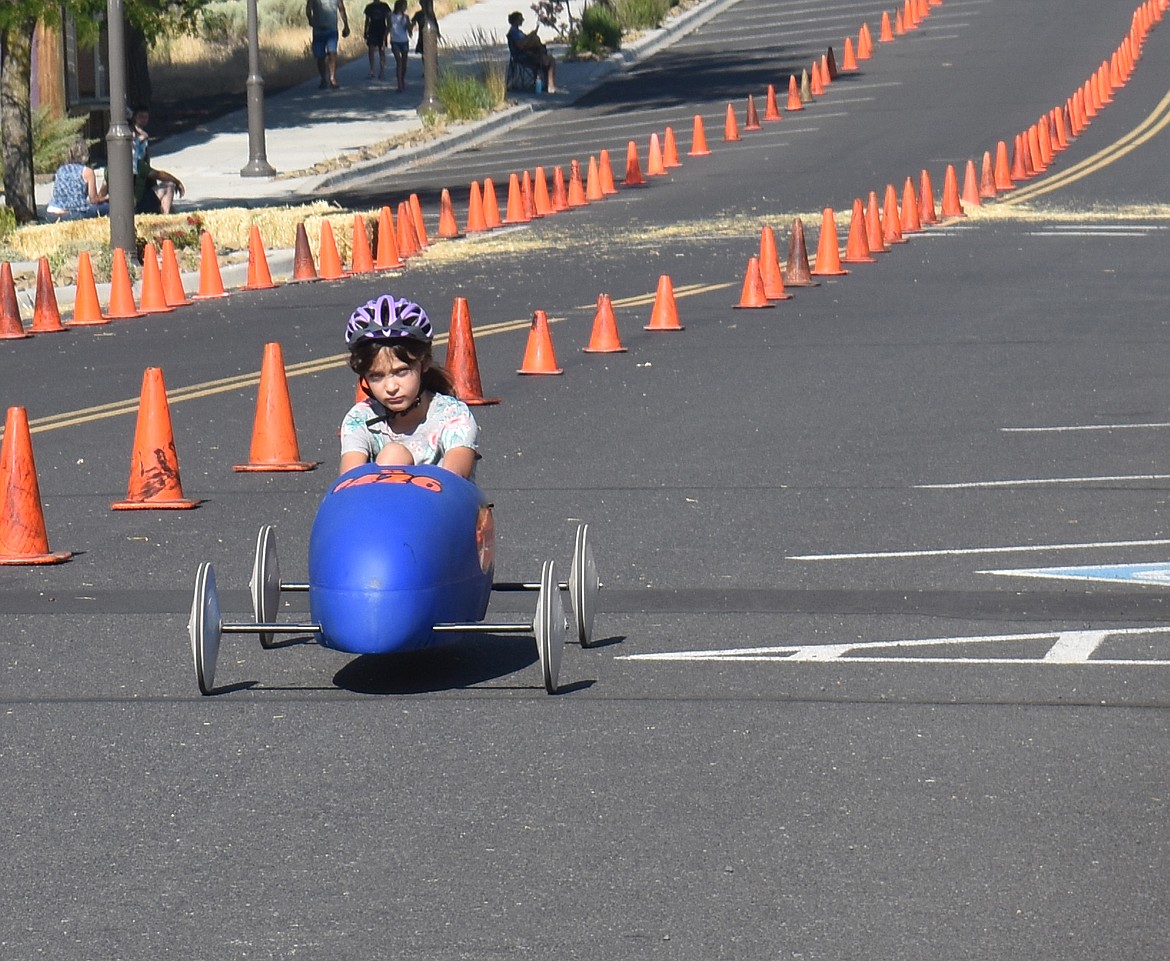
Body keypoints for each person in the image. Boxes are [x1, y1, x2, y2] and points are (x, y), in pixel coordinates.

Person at [340, 294, 479, 479]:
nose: (390, 387)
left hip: (441, 504)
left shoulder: (452, 415)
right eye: (376, 376)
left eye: (401, 372)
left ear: (424, 363)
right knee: (394, 455)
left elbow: (454, 477)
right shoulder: (360, 419)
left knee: (394, 455)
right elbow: (349, 484)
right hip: (379, 506)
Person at [130, 108, 184, 215]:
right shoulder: (136, 163)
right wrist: (177, 182)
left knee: (172, 208)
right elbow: (159, 175)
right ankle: (165, 218)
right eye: (141, 117)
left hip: (141, 191)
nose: (144, 120)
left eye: (146, 117)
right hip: (137, 202)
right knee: (169, 186)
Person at [46, 142, 109, 220]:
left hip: (52, 212)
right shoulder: (87, 172)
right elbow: (93, 200)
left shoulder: (60, 169)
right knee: (107, 207)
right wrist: (106, 198)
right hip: (74, 213)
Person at [506, 10, 557, 93]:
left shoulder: (517, 32)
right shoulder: (514, 32)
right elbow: (521, 46)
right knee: (551, 61)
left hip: (526, 54)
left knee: (548, 59)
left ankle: (548, 84)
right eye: (521, 18)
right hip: (524, 56)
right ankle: (550, 86)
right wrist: (531, 37)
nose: (522, 20)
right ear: (516, 20)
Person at [307, 0, 351, 89]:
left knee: (332, 53)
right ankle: (323, 79)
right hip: (318, 30)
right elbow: (308, 8)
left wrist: (346, 25)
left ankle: (332, 78)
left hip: (332, 29)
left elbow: (341, 8)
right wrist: (310, 19)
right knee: (320, 56)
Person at [363, 0, 391, 79]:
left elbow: (388, 19)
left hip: (382, 30)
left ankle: (382, 71)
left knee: (381, 50)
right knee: (371, 50)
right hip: (372, 30)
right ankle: (372, 70)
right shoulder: (369, 7)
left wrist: (387, 31)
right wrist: (365, 31)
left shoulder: (384, 6)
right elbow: (367, 20)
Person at [389, 0, 412, 92]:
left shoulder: (406, 17)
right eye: (404, 5)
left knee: (404, 63)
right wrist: (385, 40)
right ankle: (399, 84)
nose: (405, 7)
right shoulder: (391, 16)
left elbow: (409, 30)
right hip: (395, 41)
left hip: (404, 41)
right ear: (400, 6)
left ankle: (402, 79)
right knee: (399, 63)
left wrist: (409, 26)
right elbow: (389, 27)